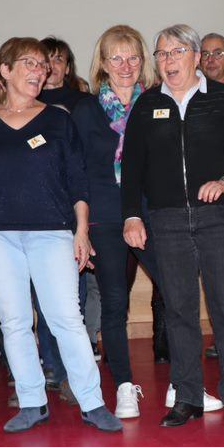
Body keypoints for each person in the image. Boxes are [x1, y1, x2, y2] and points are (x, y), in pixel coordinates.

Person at [0, 36, 122, 434]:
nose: (38, 71)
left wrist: (81, 232)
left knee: (66, 317)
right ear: (6, 71)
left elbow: (77, 181)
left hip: (52, 233)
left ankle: (92, 401)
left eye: (42, 65)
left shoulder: (58, 120)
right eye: (28, 63)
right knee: (15, 323)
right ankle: (32, 402)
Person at [122, 24, 224, 426]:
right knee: (178, 310)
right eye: (161, 54)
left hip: (217, 218)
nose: (168, 61)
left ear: (196, 56)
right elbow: (132, 169)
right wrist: (131, 215)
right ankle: (188, 396)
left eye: (176, 52)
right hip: (166, 219)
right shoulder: (146, 105)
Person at [72, 24, 161, 419]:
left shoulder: (157, 103)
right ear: (103, 64)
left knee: (177, 295)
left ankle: (186, 384)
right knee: (114, 302)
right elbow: (76, 173)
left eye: (133, 57)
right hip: (105, 218)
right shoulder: (85, 110)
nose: (125, 65)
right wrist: (79, 227)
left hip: (153, 214)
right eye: (116, 58)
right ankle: (124, 385)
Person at [40, 36, 89, 109]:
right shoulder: (27, 101)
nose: (51, 65)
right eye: (46, 59)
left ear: (67, 68)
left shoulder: (85, 101)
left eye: (58, 60)